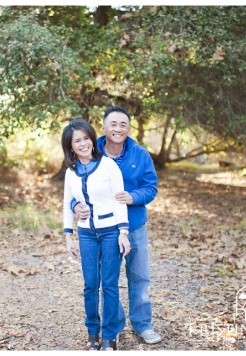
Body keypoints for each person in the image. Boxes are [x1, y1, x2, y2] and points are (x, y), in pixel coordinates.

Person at [73, 106, 162, 344]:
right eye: (113, 124)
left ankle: (143, 325)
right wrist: (75, 206)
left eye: (123, 124)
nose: (118, 129)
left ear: (129, 129)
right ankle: (115, 325)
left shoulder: (140, 154)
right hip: (102, 230)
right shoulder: (91, 151)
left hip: (134, 227)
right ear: (103, 127)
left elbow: (151, 187)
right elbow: (74, 185)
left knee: (139, 276)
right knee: (107, 280)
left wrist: (134, 197)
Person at [61, 118, 131, 350]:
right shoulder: (71, 172)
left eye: (85, 138)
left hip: (111, 231)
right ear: (71, 146)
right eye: (76, 141)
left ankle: (110, 336)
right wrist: (68, 236)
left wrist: (123, 232)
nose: (83, 144)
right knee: (90, 284)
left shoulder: (108, 165)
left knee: (109, 285)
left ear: (92, 139)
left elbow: (120, 199)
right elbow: (67, 202)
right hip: (87, 234)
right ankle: (93, 332)